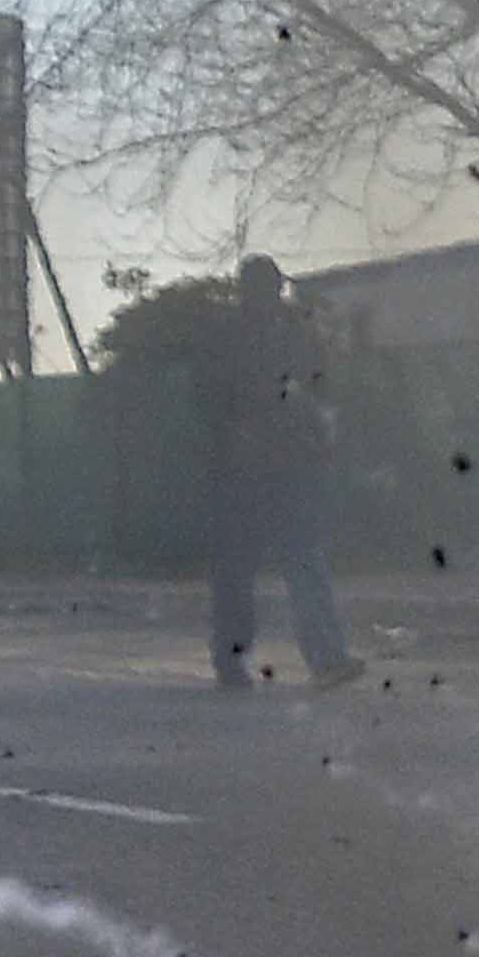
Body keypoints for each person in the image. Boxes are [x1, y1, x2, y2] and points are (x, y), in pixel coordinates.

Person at [196, 254, 361, 688]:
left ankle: (312, 658)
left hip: (271, 464)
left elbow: (315, 389)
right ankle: (312, 658)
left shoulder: (258, 333)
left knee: (267, 563)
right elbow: (216, 402)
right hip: (255, 466)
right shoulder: (256, 334)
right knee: (279, 562)